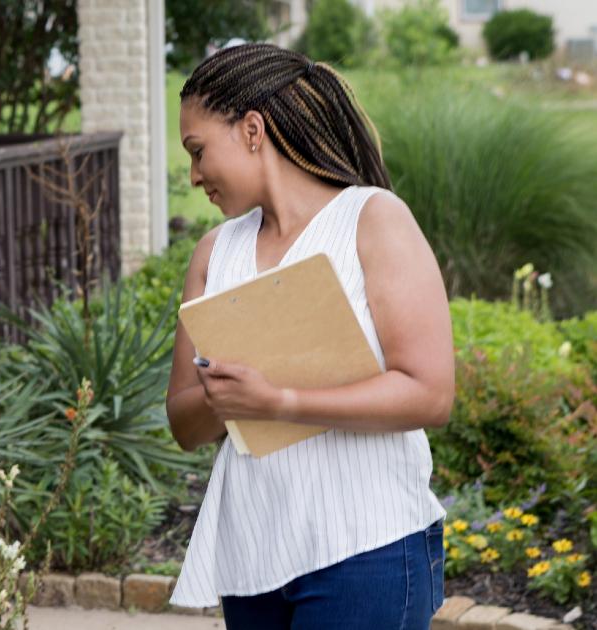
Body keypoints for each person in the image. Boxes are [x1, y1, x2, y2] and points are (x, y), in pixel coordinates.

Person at [165, 43, 453, 629]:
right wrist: (227, 398)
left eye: (198, 152)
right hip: (255, 557)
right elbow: (184, 424)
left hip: (368, 548)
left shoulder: (373, 220)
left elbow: (430, 393)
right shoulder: (214, 254)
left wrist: (279, 401)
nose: (194, 176)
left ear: (251, 130)